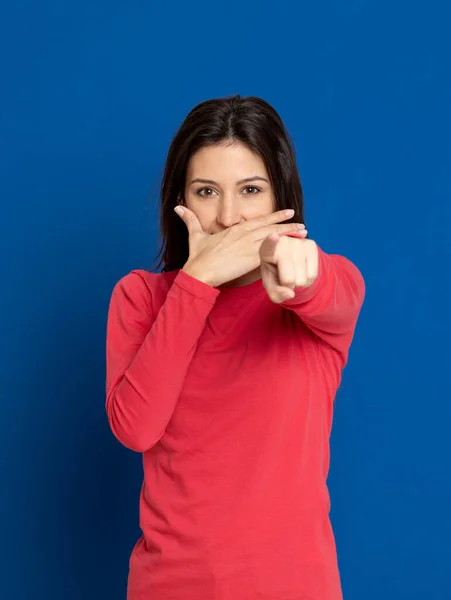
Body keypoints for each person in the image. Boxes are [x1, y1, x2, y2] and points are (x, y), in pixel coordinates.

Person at [105, 94, 365, 600]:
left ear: (279, 198)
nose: (229, 217)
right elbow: (136, 428)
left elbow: (325, 287)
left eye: (250, 190)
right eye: (206, 191)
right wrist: (196, 282)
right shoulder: (140, 297)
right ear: (178, 201)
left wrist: (301, 269)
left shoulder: (320, 289)